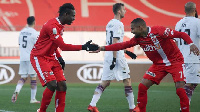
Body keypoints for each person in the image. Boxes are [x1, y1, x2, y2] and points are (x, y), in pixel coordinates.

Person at [93, 18, 200, 112]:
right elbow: (122, 45)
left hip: (175, 61)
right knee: (142, 86)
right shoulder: (138, 39)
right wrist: (103, 48)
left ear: (140, 27)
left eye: (133, 29)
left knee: (180, 89)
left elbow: (181, 34)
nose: (131, 31)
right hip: (158, 65)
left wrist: (191, 44)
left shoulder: (159, 30)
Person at [30, 3, 99, 112]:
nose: (74, 18)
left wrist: (59, 57)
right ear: (66, 14)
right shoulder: (52, 26)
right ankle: (41, 111)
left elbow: (53, 44)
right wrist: (84, 47)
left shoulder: (60, 26)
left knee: (62, 86)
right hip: (39, 57)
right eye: (73, 16)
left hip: (51, 56)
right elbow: (63, 46)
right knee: (52, 84)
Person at [87, 3, 137, 112]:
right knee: (127, 80)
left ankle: (92, 105)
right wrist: (115, 59)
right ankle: (132, 107)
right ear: (119, 11)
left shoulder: (109, 23)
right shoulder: (119, 24)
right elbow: (115, 42)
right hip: (116, 56)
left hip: (108, 55)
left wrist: (126, 51)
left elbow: (112, 43)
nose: (125, 11)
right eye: (124, 9)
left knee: (105, 82)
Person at [175, 2, 200, 111]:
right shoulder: (197, 22)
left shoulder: (178, 23)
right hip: (193, 58)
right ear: (195, 9)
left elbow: (175, 43)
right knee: (190, 84)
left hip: (182, 58)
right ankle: (184, 107)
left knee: (191, 83)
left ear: (184, 10)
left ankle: (184, 106)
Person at [11, 16, 40, 104]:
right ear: (34, 22)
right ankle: (33, 99)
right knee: (33, 78)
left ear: (27, 22)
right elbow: (38, 46)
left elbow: (19, 43)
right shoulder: (34, 33)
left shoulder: (22, 32)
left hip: (23, 57)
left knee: (23, 77)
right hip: (31, 57)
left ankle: (17, 90)